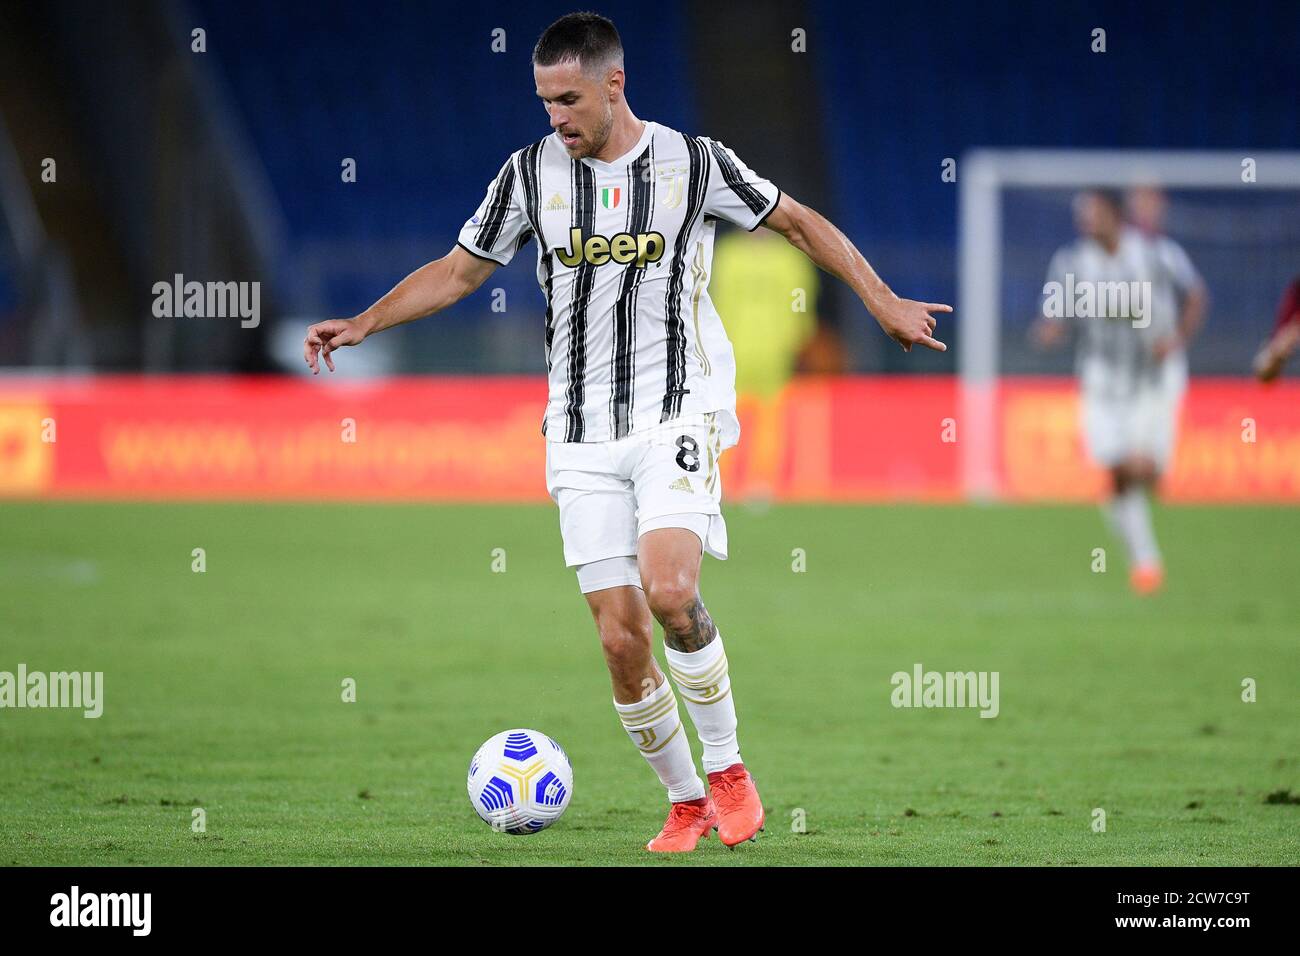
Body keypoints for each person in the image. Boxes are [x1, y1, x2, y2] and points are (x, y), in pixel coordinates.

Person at [303, 11, 949, 852]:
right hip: (575, 433)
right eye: (544, 103)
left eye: (569, 99)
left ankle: (727, 767)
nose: (556, 118)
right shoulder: (528, 173)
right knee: (618, 635)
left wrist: (880, 297)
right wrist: (364, 322)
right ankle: (685, 799)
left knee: (671, 589)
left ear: (615, 83)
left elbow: (796, 221)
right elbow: (460, 269)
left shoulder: (695, 162)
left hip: (674, 411)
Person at [1034, 189, 1207, 594]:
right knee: (1118, 469)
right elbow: (1054, 313)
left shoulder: (1157, 254)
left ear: (1114, 214)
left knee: (1141, 471)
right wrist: (1049, 329)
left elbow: (1197, 295)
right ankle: (1145, 562)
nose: (1085, 222)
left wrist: (1177, 338)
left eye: (1092, 214)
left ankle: (1150, 490)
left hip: (1154, 377)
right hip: (1102, 378)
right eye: (1081, 216)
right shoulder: (1070, 262)